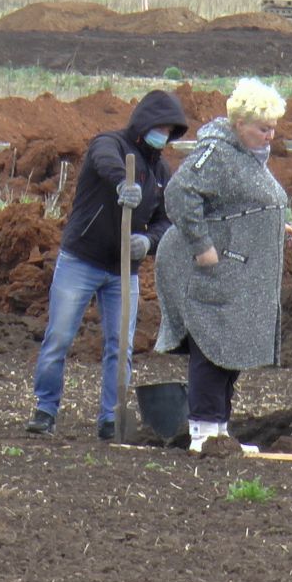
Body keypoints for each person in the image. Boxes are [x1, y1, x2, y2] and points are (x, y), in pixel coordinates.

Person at [25, 89, 191, 438]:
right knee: (59, 336)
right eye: (159, 126)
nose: (164, 134)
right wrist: (122, 184)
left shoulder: (162, 172)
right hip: (81, 259)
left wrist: (147, 242)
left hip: (122, 271)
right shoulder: (110, 144)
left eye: (170, 129)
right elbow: (104, 160)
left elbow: (167, 220)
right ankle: (45, 409)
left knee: (121, 345)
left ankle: (110, 417)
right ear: (144, 122)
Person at [154, 78, 292, 454]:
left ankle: (219, 433)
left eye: (274, 128)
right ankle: (203, 433)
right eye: (263, 128)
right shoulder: (218, 152)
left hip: (241, 273)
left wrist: (276, 225)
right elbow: (180, 194)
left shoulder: (247, 156)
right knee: (212, 347)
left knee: (231, 350)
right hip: (217, 271)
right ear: (239, 123)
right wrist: (202, 247)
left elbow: (238, 204)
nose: (270, 135)